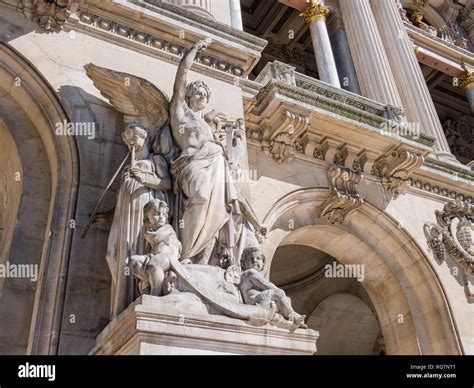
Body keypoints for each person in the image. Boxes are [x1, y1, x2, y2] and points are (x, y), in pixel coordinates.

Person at [169, 38, 260, 267]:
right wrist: (194, 49)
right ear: (189, 96)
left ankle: (203, 261)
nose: (202, 98)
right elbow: (181, 77)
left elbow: (230, 148)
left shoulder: (208, 127)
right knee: (199, 198)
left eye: (205, 96)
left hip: (217, 165)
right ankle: (186, 254)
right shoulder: (180, 113)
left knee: (220, 212)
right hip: (193, 165)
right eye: (198, 93)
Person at [106, 124, 172, 317]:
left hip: (144, 212)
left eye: (134, 137)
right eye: (127, 140)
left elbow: (167, 183)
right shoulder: (129, 166)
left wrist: (143, 178)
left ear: (145, 138)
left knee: (136, 250)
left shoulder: (155, 160)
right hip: (124, 215)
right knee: (112, 254)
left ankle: (139, 294)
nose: (130, 142)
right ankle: (120, 303)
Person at [239, 247, 307, 328]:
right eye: (250, 259)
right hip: (254, 302)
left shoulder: (253, 274)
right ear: (243, 264)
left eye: (258, 258)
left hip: (260, 300)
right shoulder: (250, 272)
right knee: (278, 293)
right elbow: (267, 286)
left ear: (263, 263)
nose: (254, 260)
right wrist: (282, 295)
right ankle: (292, 315)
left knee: (281, 298)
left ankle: (293, 318)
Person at [127, 199, 182, 296]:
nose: (161, 217)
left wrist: (148, 234)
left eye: (163, 214)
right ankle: (151, 281)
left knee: (154, 265)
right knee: (132, 261)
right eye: (157, 214)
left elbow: (156, 238)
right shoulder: (150, 231)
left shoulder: (168, 228)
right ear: (148, 217)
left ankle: (155, 294)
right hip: (155, 256)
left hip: (168, 257)